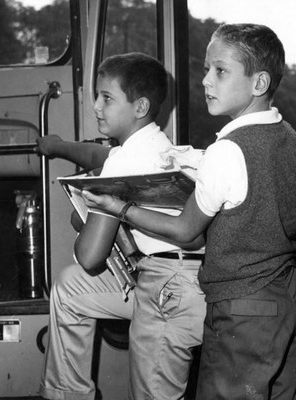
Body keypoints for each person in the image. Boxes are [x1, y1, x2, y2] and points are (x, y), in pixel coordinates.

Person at [83, 23, 296, 400]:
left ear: (259, 83)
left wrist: (121, 207)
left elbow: (186, 231)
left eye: (220, 71)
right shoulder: (292, 139)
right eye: (206, 69)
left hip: (243, 307)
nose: (205, 81)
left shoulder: (226, 151)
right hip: (292, 299)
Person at [38, 52, 206, 400]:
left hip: (168, 292)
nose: (96, 106)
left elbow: (90, 257)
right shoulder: (156, 146)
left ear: (140, 107)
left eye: (107, 98)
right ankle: (67, 394)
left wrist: (82, 216)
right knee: (70, 288)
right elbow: (100, 156)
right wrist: (59, 148)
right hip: (191, 282)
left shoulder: (125, 162)